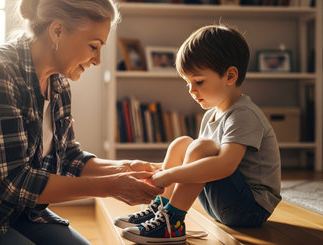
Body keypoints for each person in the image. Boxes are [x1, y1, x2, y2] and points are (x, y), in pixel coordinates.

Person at [0, 0, 164, 244]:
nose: (97, 60)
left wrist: (125, 168)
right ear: (58, 31)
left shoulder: (58, 82)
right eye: (93, 46)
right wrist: (109, 186)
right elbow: (16, 182)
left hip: (14, 213)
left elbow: (69, 157)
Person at [114, 25, 282, 244]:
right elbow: (193, 161)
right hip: (224, 203)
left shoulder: (244, 115)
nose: (192, 90)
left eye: (199, 81)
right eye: (188, 83)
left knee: (201, 148)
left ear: (230, 76)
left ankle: (172, 224)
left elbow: (225, 165)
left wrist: (170, 175)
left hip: (250, 209)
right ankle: (161, 208)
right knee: (183, 143)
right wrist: (157, 168)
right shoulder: (212, 114)